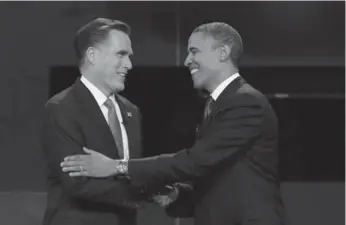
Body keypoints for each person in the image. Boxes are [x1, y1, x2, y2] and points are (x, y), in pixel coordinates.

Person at [61, 22, 286, 225]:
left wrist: (117, 166)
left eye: (194, 51)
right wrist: (177, 196)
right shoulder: (218, 105)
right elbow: (218, 178)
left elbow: (195, 161)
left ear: (223, 53)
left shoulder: (245, 102)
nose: (187, 60)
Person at [40, 18, 170, 225]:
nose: (129, 64)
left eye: (129, 56)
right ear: (93, 56)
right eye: (121, 54)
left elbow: (131, 171)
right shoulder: (61, 108)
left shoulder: (131, 111)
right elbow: (78, 184)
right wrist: (144, 192)